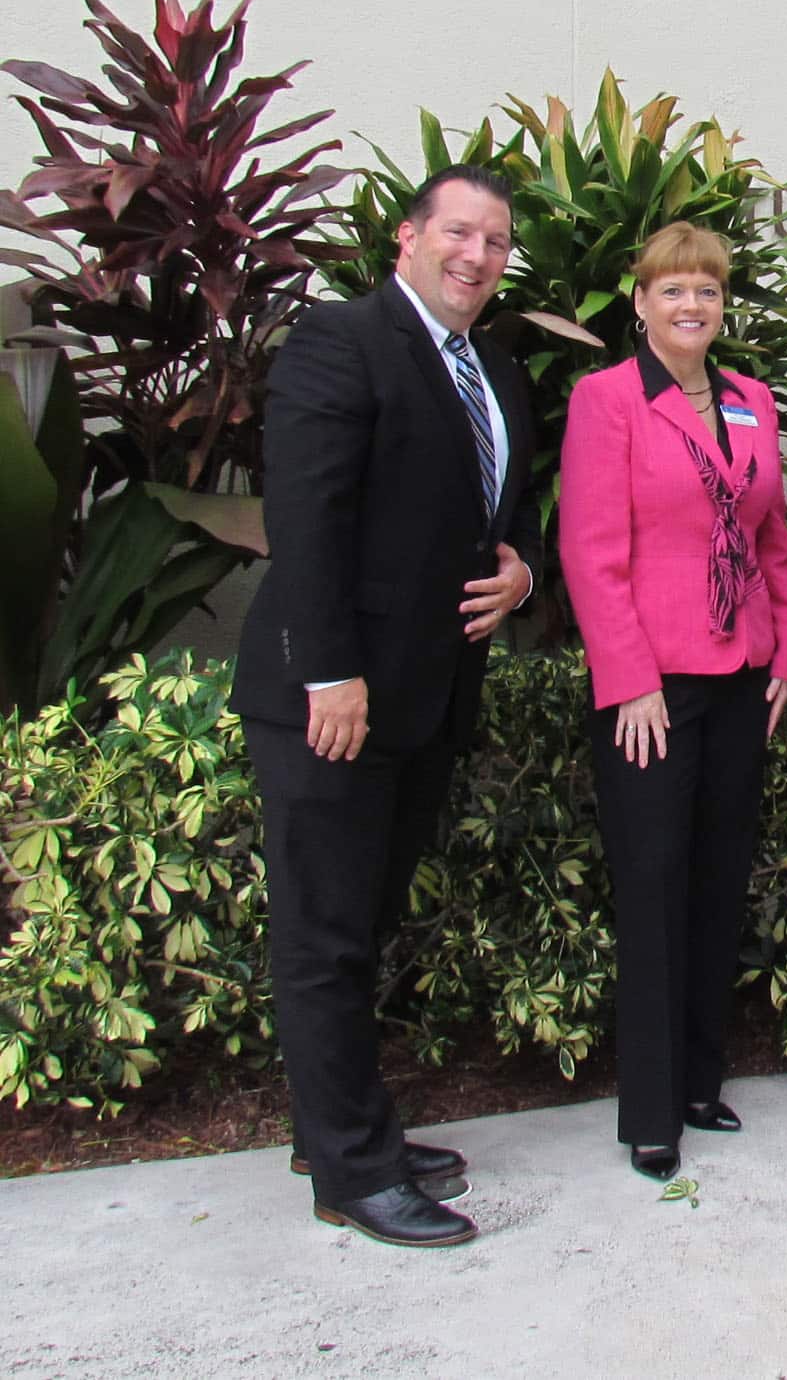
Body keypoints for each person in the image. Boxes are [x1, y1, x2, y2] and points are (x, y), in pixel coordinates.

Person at [232, 165, 539, 1247]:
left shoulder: (493, 367)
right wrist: (329, 674)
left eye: (496, 241)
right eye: (459, 232)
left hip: (422, 701)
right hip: (335, 700)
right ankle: (351, 1173)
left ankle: (343, 1130)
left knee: (361, 928)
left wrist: (523, 573)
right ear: (408, 237)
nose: (477, 254)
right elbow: (305, 515)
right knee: (323, 938)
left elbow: (500, 513)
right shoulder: (340, 339)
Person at [557, 222, 787, 1183]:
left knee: (715, 879)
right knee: (654, 888)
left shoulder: (750, 400)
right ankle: (652, 1113)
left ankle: (702, 1082)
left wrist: (782, 653)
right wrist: (628, 681)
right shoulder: (607, 401)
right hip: (650, 692)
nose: (690, 305)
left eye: (705, 290)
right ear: (641, 301)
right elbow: (590, 548)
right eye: (672, 291)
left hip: (742, 676)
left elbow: (773, 536)